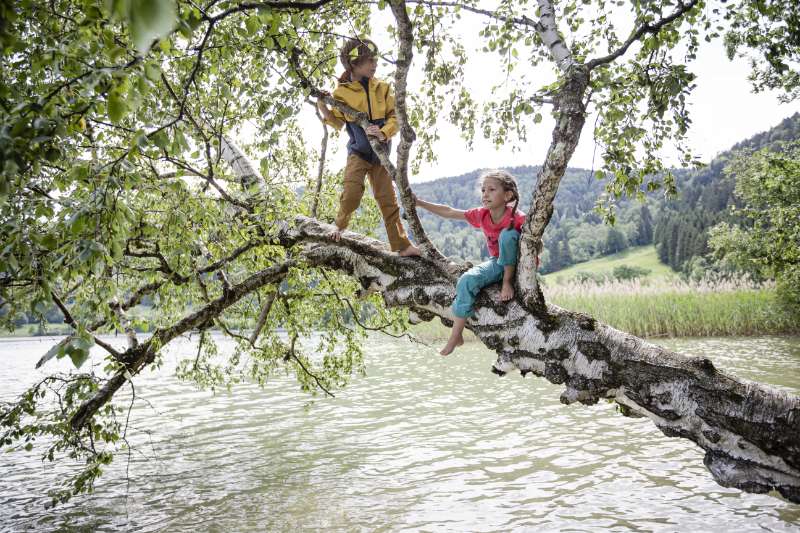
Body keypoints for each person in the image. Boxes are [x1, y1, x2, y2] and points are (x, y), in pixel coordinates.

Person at [316, 37, 420, 257]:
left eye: (375, 60)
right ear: (354, 64)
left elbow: (396, 117)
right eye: (369, 61)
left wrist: (382, 132)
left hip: (380, 156)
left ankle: (402, 246)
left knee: (388, 200)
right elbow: (336, 122)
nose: (374, 64)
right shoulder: (342, 93)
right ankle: (340, 225)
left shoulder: (382, 88)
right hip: (359, 153)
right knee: (352, 192)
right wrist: (321, 105)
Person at [415, 170, 525, 355]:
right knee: (466, 280)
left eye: (491, 189)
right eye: (483, 190)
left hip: (517, 265)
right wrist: (419, 203)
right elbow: (449, 212)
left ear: (507, 195)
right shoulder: (482, 215)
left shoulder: (518, 218)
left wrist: (510, 280)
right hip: (497, 263)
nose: (485, 194)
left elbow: (536, 242)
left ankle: (506, 282)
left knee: (507, 235)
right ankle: (456, 335)